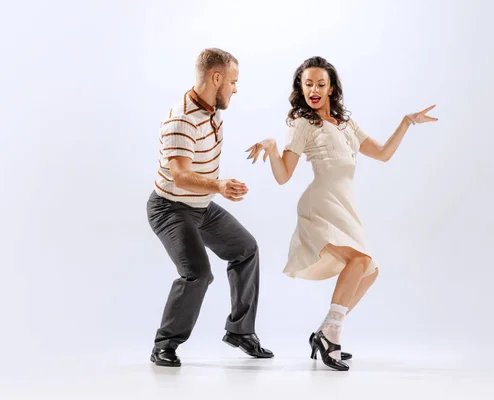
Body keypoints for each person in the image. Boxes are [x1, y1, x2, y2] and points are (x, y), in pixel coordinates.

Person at [245, 56, 437, 371]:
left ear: (332, 88)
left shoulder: (346, 124)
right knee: (359, 260)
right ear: (301, 88)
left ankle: (324, 331)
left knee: (369, 271)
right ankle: (331, 335)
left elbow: (384, 154)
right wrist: (271, 146)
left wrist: (406, 122)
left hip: (344, 206)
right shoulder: (301, 123)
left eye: (321, 84)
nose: (314, 90)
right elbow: (283, 177)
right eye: (308, 84)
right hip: (319, 206)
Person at [147, 48, 273, 367]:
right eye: (232, 81)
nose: (235, 88)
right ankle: (164, 344)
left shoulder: (213, 111)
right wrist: (217, 185)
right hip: (170, 209)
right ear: (216, 78)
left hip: (201, 207)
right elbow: (180, 175)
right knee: (197, 274)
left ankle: (241, 332)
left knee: (246, 249)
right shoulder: (181, 119)